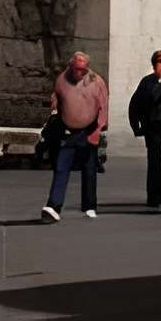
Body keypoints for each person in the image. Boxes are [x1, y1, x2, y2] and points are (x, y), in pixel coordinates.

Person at [41, 50, 108, 222]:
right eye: (77, 69)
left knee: (89, 169)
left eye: (83, 70)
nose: (79, 73)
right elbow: (56, 97)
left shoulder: (97, 82)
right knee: (61, 167)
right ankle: (53, 206)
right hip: (67, 130)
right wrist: (54, 108)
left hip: (89, 129)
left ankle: (90, 205)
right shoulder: (62, 80)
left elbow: (103, 108)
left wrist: (97, 131)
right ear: (71, 65)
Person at [127, 49, 161, 211]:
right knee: (154, 162)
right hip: (153, 127)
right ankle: (156, 196)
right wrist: (136, 126)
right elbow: (135, 104)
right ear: (154, 65)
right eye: (160, 62)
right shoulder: (147, 82)